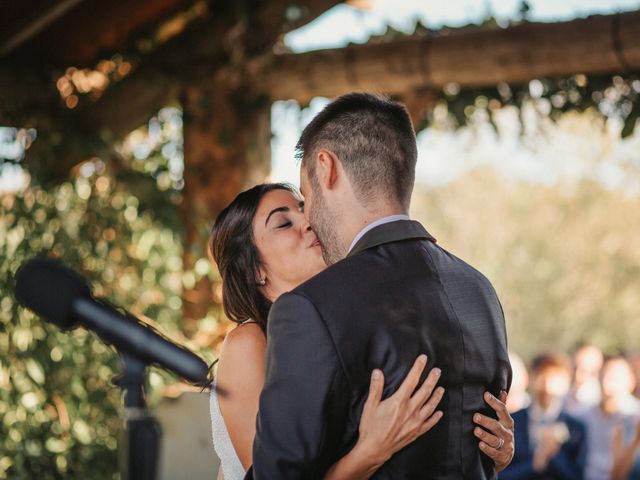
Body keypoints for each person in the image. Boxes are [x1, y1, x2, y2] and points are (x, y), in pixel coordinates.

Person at [246, 92, 513, 478]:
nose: (310, 220)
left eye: (306, 198)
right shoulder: (480, 291)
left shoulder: (310, 307)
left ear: (326, 168)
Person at [209, 183, 515, 479]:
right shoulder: (248, 343)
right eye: (283, 223)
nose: (307, 221)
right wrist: (370, 452)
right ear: (254, 271)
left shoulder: (351, 318)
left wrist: (490, 451)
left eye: (304, 208)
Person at [499, 352, 587, 479]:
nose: (547, 385)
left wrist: (554, 454)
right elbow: (499, 475)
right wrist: (534, 464)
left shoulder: (576, 428)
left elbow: (578, 475)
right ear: (531, 378)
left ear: (566, 381)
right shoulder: (512, 422)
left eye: (554, 377)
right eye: (541, 375)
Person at [582, 355, 640, 480]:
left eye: (615, 378)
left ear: (631, 382)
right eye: (604, 376)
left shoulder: (634, 416)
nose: (607, 383)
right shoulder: (585, 414)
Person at [565, 343, 603, 417]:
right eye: (575, 368)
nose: (577, 375)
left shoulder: (600, 402)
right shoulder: (564, 395)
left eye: (584, 371)